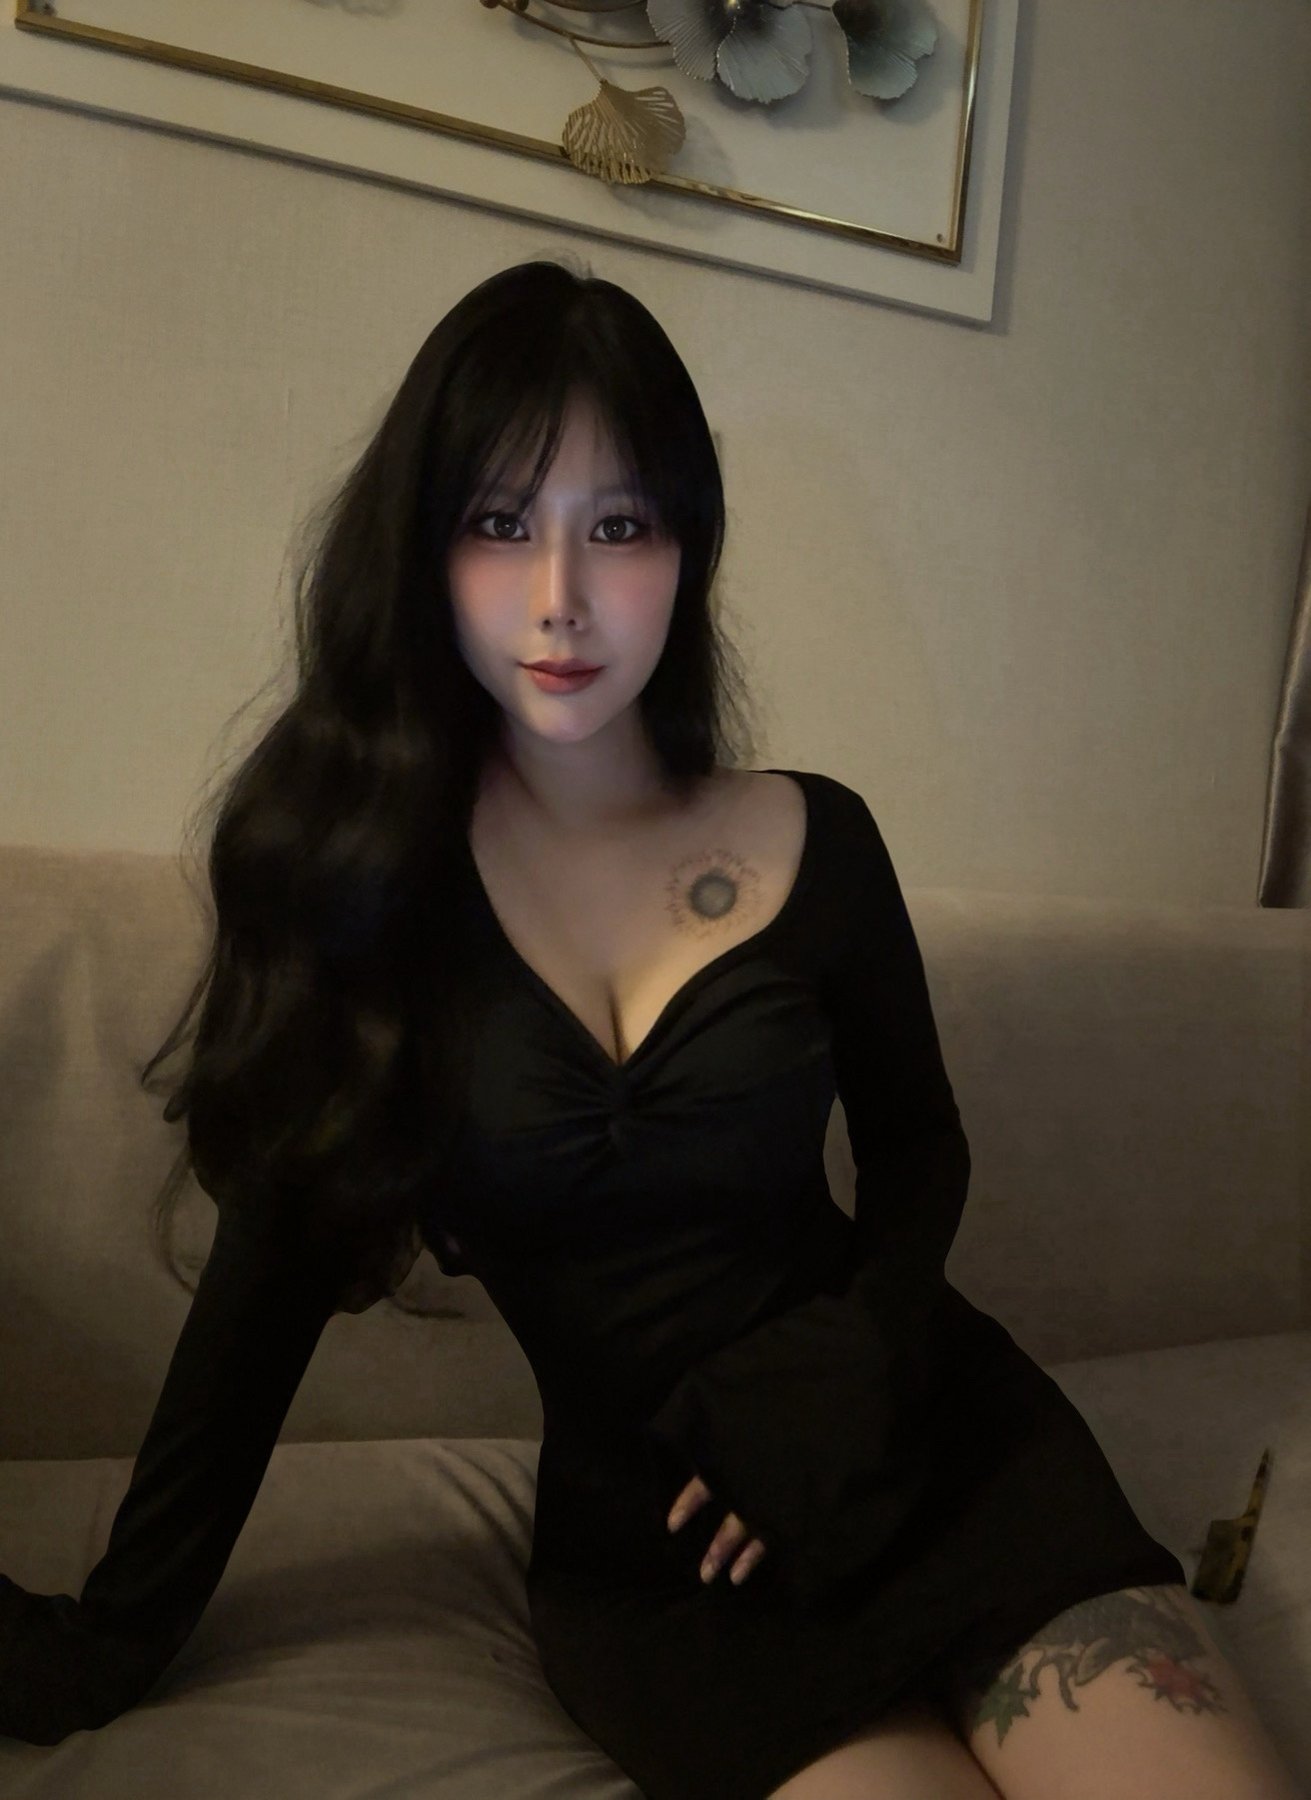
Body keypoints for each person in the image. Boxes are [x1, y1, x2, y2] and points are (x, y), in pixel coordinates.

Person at [1, 256, 1300, 1800]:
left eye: (618, 526)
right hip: (672, 1563)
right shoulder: (362, 893)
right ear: (423, 550)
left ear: (688, 548)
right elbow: (261, 1297)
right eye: (500, 524)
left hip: (939, 1442)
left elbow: (920, 1148)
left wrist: (855, 1364)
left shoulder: (817, 838)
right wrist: (115, 1635)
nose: (560, 594)